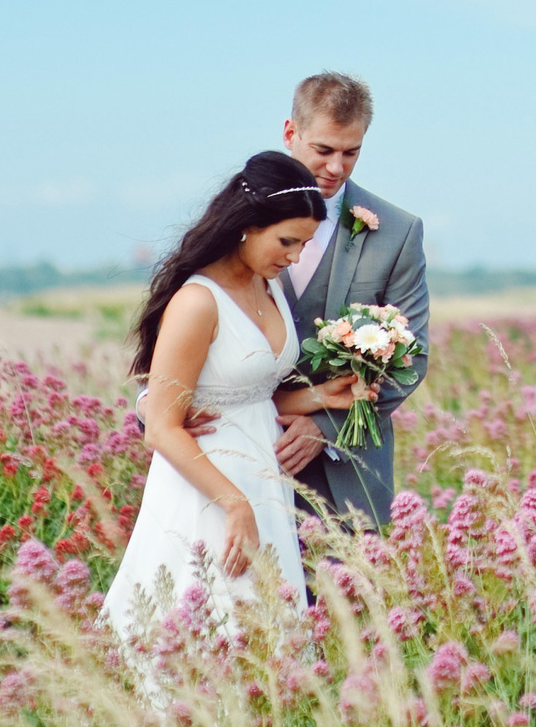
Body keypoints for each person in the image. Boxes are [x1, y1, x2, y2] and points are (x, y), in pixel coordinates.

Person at [99, 151, 356, 640]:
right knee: (205, 622)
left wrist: (323, 396)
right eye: (287, 241)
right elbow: (161, 425)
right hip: (209, 485)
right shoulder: (197, 302)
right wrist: (235, 505)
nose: (295, 257)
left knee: (266, 631)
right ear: (247, 225)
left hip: (265, 483)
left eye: (304, 244)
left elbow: (248, 396)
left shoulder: (268, 285)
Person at [268, 71, 430, 529]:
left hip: (351, 474)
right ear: (290, 133)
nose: (336, 167)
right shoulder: (235, 223)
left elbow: (412, 359)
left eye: (351, 152)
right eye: (323, 150)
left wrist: (325, 428)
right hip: (249, 461)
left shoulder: (399, 233)